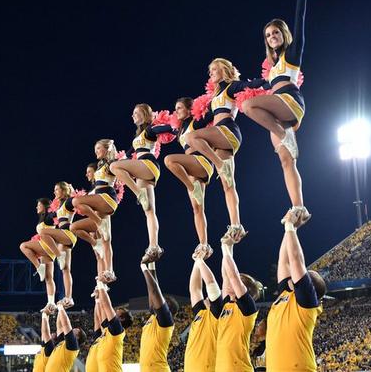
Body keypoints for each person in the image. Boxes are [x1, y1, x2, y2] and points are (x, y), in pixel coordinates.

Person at [241, 0, 312, 225]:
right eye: (268, 35)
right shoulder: (270, 69)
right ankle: (298, 206)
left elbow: (300, 20)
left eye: (276, 32)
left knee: (248, 106)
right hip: (277, 115)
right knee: (286, 161)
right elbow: (249, 85)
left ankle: (284, 135)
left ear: (283, 34)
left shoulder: (292, 54)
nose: (272, 36)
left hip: (290, 101)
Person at [186, 58, 270, 242]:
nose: (211, 73)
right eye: (210, 70)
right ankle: (236, 224)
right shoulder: (214, 97)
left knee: (192, 138)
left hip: (227, 131)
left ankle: (218, 164)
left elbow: (252, 85)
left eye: (215, 69)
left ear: (224, 70)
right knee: (228, 184)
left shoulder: (230, 87)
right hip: (220, 139)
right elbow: (199, 121)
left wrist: (272, 79)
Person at [110, 104, 175, 263]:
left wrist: (179, 126)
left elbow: (170, 128)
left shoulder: (150, 130)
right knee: (149, 211)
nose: (132, 116)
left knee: (115, 167)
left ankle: (138, 194)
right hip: (142, 170)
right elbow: (126, 155)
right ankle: (154, 245)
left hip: (147, 165)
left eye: (136, 113)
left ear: (145, 114)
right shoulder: (138, 136)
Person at [265, 213, 327, 371]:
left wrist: (290, 227)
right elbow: (284, 261)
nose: (295, 274)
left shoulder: (306, 302)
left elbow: (295, 260)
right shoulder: (286, 295)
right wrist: (290, 229)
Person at [164, 97, 216, 257]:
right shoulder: (179, 129)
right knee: (197, 208)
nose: (176, 111)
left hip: (202, 161)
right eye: (176, 108)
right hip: (192, 168)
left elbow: (213, 111)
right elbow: (161, 130)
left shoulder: (196, 122)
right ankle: (204, 244)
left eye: (179, 108)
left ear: (189, 109)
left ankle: (192, 188)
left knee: (169, 160)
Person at [71, 139, 120, 283]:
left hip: (107, 201)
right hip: (99, 213)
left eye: (99, 148)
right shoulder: (100, 168)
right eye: (95, 149)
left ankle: (108, 270)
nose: (96, 151)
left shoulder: (111, 163)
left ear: (107, 149)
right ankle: (109, 271)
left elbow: (120, 168)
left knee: (76, 201)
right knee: (75, 227)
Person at [215, 231, 263, 371]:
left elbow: (233, 275)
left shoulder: (247, 309)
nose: (229, 283)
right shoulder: (228, 305)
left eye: (235, 283)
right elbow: (226, 275)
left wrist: (225, 247)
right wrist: (228, 246)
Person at [38, 181, 78, 307]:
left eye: (57, 189)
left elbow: (78, 201)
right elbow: (51, 217)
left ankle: (58, 255)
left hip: (67, 233)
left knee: (44, 232)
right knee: (65, 269)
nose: (54, 192)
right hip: (61, 236)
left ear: (63, 190)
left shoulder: (68, 202)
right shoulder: (59, 205)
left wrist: (72, 192)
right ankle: (69, 297)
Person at [184, 252, 223, 371]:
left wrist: (200, 260)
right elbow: (195, 289)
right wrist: (196, 262)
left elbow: (210, 283)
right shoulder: (201, 314)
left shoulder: (218, 314)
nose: (206, 297)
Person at [19, 198, 58, 311]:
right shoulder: (42, 217)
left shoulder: (49, 216)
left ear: (45, 206)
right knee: (49, 278)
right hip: (48, 250)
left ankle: (38, 266)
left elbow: (55, 215)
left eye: (39, 205)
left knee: (23, 246)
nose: (36, 207)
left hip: (46, 246)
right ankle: (51, 302)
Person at [138, 262, 177, 371]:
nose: (159, 301)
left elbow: (155, 291)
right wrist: (151, 264)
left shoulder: (166, 321)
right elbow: (152, 290)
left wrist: (143, 266)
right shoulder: (154, 317)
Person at [95, 279, 133, 372]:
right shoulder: (110, 330)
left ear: (122, 318)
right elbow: (102, 311)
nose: (114, 312)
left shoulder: (117, 329)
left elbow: (107, 305)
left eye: (117, 312)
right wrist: (98, 298)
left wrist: (100, 284)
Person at [44, 302, 86, 372]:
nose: (74, 328)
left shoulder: (73, 345)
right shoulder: (64, 343)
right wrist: (61, 309)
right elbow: (59, 326)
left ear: (78, 337)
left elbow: (66, 324)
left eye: (77, 330)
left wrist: (61, 307)